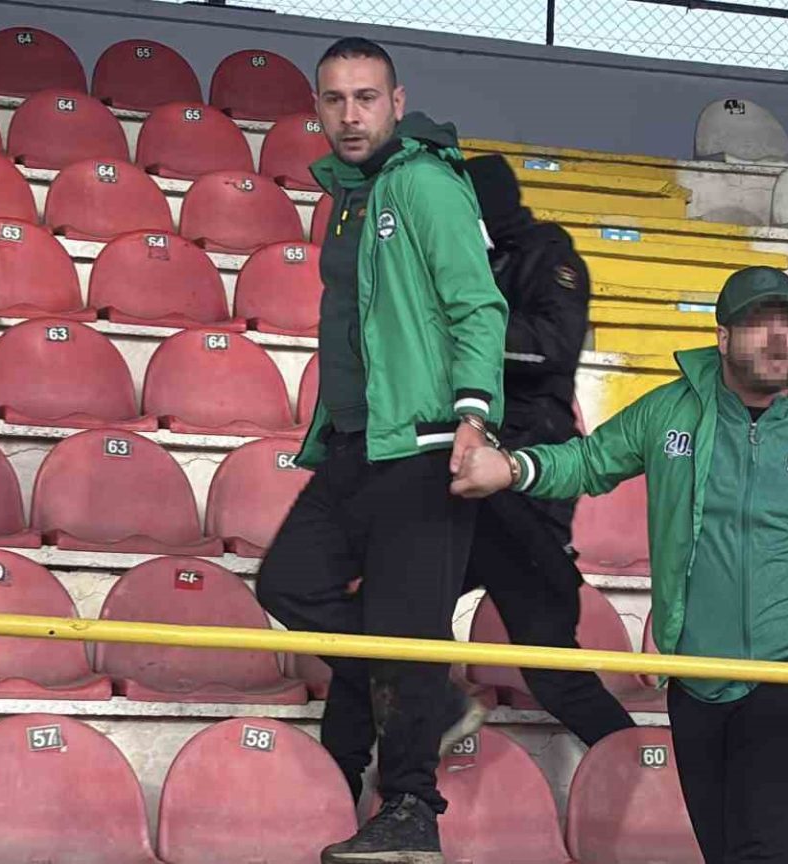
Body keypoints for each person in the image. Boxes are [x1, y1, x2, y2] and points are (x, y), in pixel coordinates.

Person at [451, 266, 788, 864]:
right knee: (725, 851)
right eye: (759, 325)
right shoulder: (673, 410)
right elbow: (590, 461)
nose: (779, 340)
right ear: (723, 338)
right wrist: (512, 468)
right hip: (699, 674)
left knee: (765, 852)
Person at [253, 37, 507, 864]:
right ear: (317, 109)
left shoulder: (426, 183)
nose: (350, 115)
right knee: (289, 582)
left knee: (403, 629)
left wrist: (473, 416)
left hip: (426, 445)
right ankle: (429, 694)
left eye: (366, 97)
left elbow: (478, 305)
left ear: (397, 103)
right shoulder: (350, 197)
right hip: (358, 444)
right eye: (334, 100)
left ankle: (411, 813)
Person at [459, 154, 636, 744]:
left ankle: (635, 768)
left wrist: (464, 335)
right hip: (467, 478)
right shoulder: (468, 260)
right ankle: (422, 718)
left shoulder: (547, 254)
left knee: (551, 662)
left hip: (526, 478)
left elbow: (552, 346)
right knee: (391, 613)